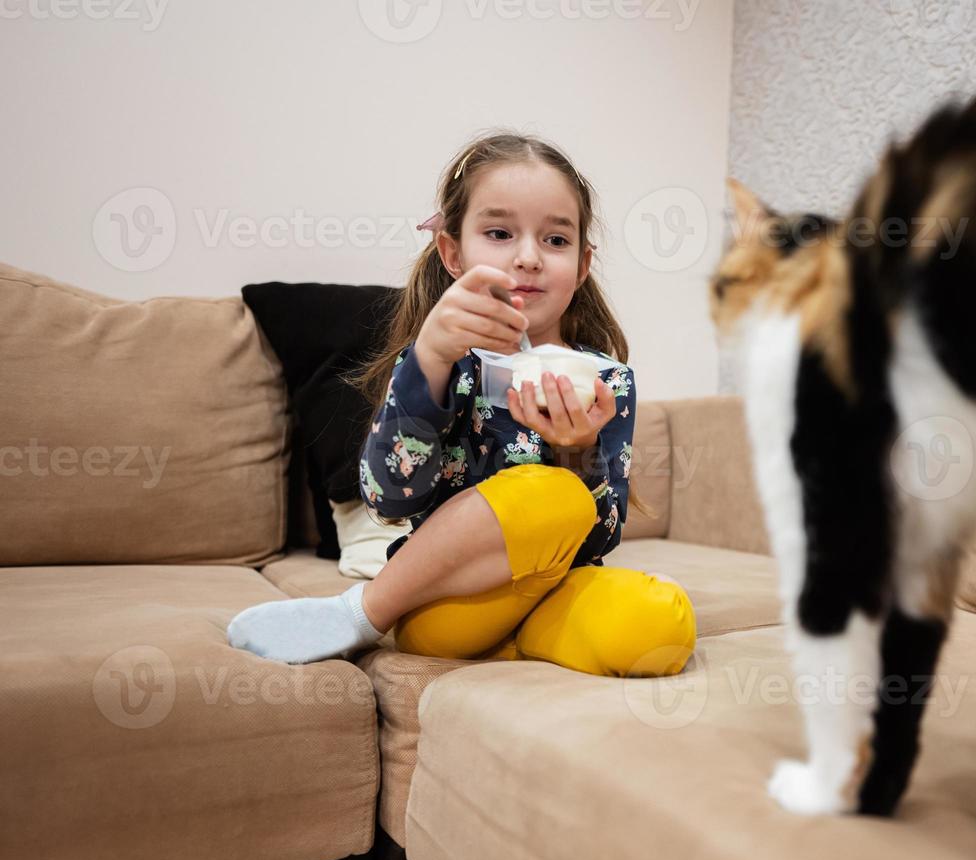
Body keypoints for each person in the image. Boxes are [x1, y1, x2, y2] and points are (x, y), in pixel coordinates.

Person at [227, 133, 696, 677]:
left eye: (555, 240)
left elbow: (602, 536)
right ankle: (358, 614)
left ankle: (518, 645)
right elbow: (389, 499)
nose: (528, 258)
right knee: (553, 497)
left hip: (553, 587)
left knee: (658, 626)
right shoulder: (442, 363)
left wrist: (580, 449)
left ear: (583, 263)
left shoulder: (605, 381)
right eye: (499, 233)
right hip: (443, 607)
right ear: (453, 252)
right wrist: (428, 359)